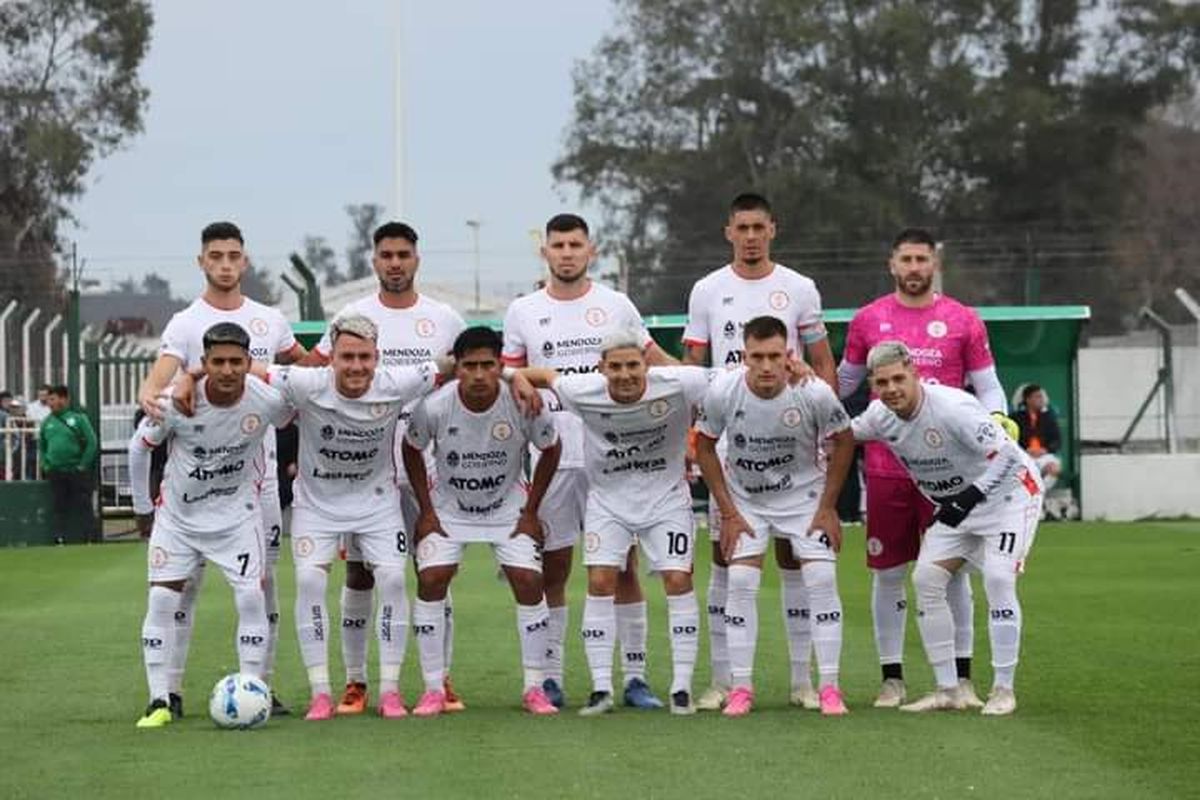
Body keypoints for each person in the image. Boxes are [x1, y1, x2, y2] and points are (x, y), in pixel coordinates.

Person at [501, 213, 677, 709]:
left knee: (623, 567)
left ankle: (635, 678)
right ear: (545, 252)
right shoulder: (523, 310)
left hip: (614, 453)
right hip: (553, 455)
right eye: (558, 245)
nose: (567, 253)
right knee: (553, 568)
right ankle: (550, 678)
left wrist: (706, 379)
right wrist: (515, 377)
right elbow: (508, 372)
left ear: (591, 250)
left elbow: (654, 361)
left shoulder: (616, 304)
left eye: (575, 245)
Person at [136, 221, 307, 716]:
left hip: (258, 481)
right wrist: (166, 385)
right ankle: (169, 690)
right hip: (199, 479)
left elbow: (301, 370)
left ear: (245, 262)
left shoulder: (270, 319)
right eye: (216, 256)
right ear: (202, 262)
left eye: (234, 256)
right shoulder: (185, 323)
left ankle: (260, 688)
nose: (226, 265)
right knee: (181, 589)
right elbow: (156, 385)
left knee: (263, 588)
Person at [837, 227, 1009, 710]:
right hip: (887, 468)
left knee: (952, 575)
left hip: (949, 473)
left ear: (934, 264)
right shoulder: (868, 319)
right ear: (892, 264)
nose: (914, 267)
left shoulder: (963, 319)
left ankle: (962, 680)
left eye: (922, 259)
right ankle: (892, 679)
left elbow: (988, 385)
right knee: (888, 573)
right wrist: (806, 394)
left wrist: (998, 419)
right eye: (906, 259)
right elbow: (845, 383)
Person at [302, 221, 467, 715]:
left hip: (429, 461)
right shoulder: (352, 316)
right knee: (360, 573)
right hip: (362, 468)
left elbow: (470, 372)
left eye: (403, 255)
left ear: (417, 259)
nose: (395, 263)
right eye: (386, 255)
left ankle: (440, 678)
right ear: (374, 261)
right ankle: (356, 682)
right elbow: (315, 371)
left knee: (433, 571)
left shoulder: (444, 318)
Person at [682, 192, 837, 712]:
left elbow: (822, 360)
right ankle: (723, 681)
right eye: (742, 228)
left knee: (796, 558)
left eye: (758, 228)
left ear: (773, 229)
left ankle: (802, 681)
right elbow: (693, 367)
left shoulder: (799, 287)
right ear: (729, 231)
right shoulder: (707, 290)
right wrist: (691, 434)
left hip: (792, 440)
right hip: (728, 439)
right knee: (726, 558)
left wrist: (822, 424)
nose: (750, 237)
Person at [519, 330, 707, 716]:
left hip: (666, 501)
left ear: (646, 364)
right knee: (601, 580)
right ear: (601, 369)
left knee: (678, 580)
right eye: (616, 367)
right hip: (608, 502)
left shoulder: (680, 382)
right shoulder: (582, 389)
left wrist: (796, 368)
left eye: (633, 365)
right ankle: (601, 688)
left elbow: (737, 377)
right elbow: (543, 375)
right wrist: (516, 377)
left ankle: (679, 688)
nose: (625, 374)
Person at [851, 341, 1042, 715]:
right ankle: (949, 690)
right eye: (882, 383)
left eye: (898, 379)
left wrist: (970, 497)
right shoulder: (879, 416)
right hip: (958, 507)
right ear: (872, 384)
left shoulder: (954, 408)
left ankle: (1003, 690)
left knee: (998, 579)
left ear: (915, 373)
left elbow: (1009, 455)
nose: (892, 389)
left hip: (1010, 497)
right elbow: (842, 433)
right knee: (926, 580)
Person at [128, 322, 292, 728]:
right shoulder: (176, 401)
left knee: (252, 600)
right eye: (217, 362)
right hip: (178, 520)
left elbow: (304, 408)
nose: (227, 370)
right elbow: (139, 448)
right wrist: (142, 509)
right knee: (162, 601)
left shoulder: (267, 400)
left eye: (236, 361)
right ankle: (159, 701)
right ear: (205, 362)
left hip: (237, 519)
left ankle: (252, 693)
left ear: (249, 362)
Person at [694, 316, 855, 716]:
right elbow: (705, 447)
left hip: (805, 498)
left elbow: (845, 440)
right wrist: (728, 512)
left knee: (822, 578)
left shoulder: (813, 392)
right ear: (743, 356)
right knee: (740, 581)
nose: (766, 366)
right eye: (757, 357)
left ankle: (828, 686)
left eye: (774, 356)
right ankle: (741, 688)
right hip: (747, 501)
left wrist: (828, 507)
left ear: (789, 355)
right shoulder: (724, 391)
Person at [402, 327, 561, 716]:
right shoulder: (435, 406)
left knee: (529, 581)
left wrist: (531, 511)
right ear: (456, 367)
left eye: (487, 365)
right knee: (431, 577)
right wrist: (427, 511)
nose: (478, 375)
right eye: (469, 365)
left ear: (500, 365)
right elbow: (411, 448)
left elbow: (552, 448)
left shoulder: (523, 401)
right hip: (449, 509)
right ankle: (433, 689)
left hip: (508, 509)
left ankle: (534, 688)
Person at [38, 385, 99, 542]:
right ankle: (59, 537)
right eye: (49, 400)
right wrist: (45, 465)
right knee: (59, 505)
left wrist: (83, 464)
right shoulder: (46, 422)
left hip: (75, 470)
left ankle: (90, 536)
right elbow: (42, 446)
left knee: (84, 504)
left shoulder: (78, 419)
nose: (50, 403)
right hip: (55, 471)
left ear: (64, 399)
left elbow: (92, 442)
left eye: (53, 399)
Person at [1012, 384, 1062, 491]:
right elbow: (1010, 439)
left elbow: (1057, 440)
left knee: (1054, 468)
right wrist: (1024, 450)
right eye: (1037, 396)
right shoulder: (1015, 418)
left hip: (1043, 455)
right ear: (1028, 399)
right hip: (1023, 455)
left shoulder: (1049, 417)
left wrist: (1045, 450)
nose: (1041, 400)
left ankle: (1039, 492)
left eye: (1041, 396)